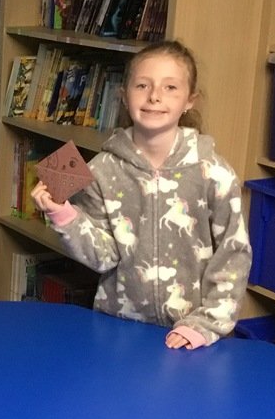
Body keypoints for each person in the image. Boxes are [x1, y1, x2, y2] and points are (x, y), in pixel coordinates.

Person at [31, 40, 251, 350]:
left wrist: (207, 324)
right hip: (118, 328)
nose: (155, 97)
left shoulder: (213, 172)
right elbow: (103, 257)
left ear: (190, 100)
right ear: (124, 96)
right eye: (142, 85)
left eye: (170, 87)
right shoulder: (102, 169)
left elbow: (233, 253)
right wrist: (63, 214)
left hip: (192, 335)